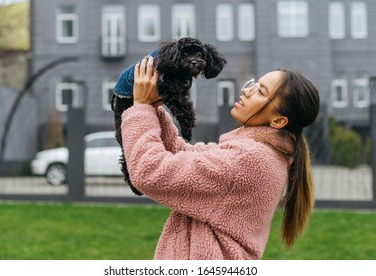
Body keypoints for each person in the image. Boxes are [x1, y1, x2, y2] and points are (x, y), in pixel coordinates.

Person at [120, 56, 320, 260]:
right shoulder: (260, 154)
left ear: (278, 120)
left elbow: (149, 171)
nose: (247, 90)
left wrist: (142, 108)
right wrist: (153, 109)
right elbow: (183, 155)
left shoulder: (250, 160)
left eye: (260, 92)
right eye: (254, 83)